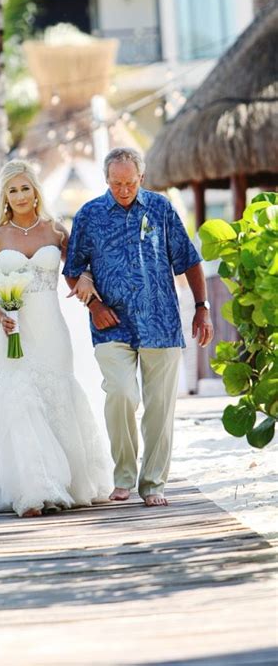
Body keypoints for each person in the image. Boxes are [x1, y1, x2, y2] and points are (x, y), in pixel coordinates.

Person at [0, 159, 114, 518]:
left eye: (25, 188)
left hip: (51, 329)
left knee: (57, 394)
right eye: (13, 190)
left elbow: (76, 275)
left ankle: (67, 485)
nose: (20, 195)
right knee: (21, 400)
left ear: (36, 191)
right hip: (12, 332)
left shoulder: (56, 231)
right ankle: (33, 491)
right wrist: (1, 316)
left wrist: (86, 281)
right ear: (5, 197)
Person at [63, 147, 214, 508]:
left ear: (141, 179)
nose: (124, 189)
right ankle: (124, 476)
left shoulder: (161, 209)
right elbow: (72, 271)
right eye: (116, 183)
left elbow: (190, 261)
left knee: (160, 408)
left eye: (130, 183)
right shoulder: (90, 215)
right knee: (121, 394)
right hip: (110, 325)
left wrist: (202, 308)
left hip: (160, 322)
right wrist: (94, 305)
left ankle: (153, 483)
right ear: (106, 180)